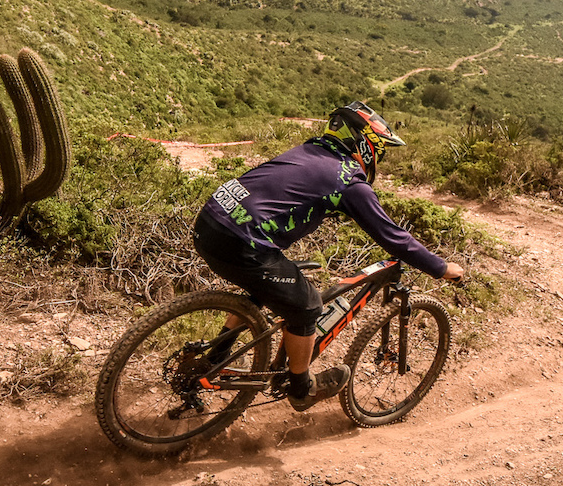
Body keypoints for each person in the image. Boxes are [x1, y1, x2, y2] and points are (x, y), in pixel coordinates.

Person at [192, 101, 466, 411]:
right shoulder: (348, 180)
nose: (379, 159)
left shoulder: (309, 151)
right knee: (308, 306)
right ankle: (301, 389)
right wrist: (441, 267)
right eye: (380, 152)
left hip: (209, 222)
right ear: (367, 145)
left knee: (267, 286)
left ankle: (215, 357)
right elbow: (394, 238)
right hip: (241, 242)